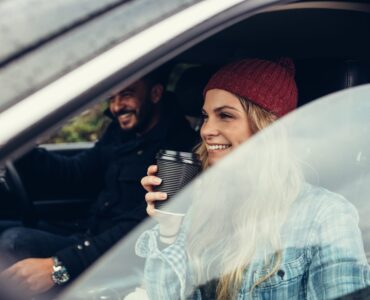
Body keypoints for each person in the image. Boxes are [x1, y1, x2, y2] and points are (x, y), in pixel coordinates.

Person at [137, 58, 370, 299]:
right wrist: (168, 232)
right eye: (205, 116)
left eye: (225, 115)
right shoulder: (200, 204)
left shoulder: (324, 215)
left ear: (267, 128)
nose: (206, 130)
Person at [0, 69, 197, 295]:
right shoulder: (121, 131)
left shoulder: (180, 152)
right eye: (112, 98)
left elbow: (140, 230)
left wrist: (59, 265)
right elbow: (76, 173)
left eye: (126, 94)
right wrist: (19, 150)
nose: (116, 107)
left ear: (155, 93)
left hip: (122, 259)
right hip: (89, 234)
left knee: (13, 242)